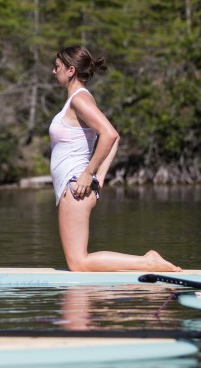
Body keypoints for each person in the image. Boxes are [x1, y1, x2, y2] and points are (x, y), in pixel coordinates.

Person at [49, 45, 180, 272]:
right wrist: (98, 178)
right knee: (78, 262)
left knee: (78, 263)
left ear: (70, 70)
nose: (53, 71)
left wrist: (89, 174)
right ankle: (146, 264)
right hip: (76, 187)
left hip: (75, 188)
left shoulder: (79, 100)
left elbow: (109, 134)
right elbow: (114, 137)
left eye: (57, 66)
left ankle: (148, 262)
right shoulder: (78, 100)